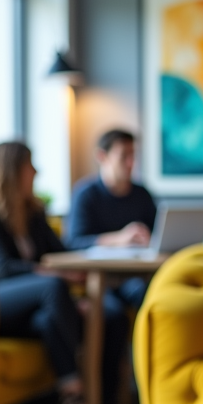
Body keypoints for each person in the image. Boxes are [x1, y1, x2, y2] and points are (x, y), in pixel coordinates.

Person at [0, 142, 132, 404]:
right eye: (29, 165)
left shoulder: (32, 213)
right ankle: (78, 394)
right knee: (52, 286)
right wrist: (58, 278)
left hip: (35, 307)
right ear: (11, 171)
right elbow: (3, 268)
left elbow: (61, 253)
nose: (36, 171)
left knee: (107, 314)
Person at [66, 129, 157, 309]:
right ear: (102, 156)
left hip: (138, 274)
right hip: (100, 279)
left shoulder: (142, 194)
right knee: (114, 313)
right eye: (124, 156)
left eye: (133, 156)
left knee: (150, 290)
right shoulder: (85, 194)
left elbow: (159, 233)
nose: (131, 163)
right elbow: (74, 242)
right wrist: (119, 239)